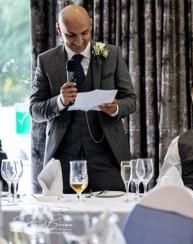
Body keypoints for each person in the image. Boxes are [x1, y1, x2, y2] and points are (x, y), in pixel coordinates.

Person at [30, 4, 136, 193]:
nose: (79, 41)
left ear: (92, 25)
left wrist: (116, 107)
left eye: (85, 33)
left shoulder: (111, 54)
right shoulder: (46, 61)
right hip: (62, 160)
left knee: (114, 215)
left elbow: (130, 100)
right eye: (71, 35)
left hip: (107, 158)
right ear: (58, 29)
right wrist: (60, 101)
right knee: (64, 220)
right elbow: (35, 110)